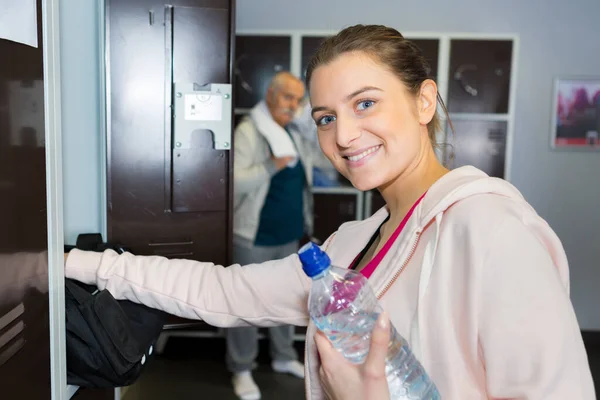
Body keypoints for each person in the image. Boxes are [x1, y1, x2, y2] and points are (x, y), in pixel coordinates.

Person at [64, 24, 596, 399]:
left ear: (424, 101)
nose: (342, 136)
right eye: (324, 117)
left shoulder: (491, 232)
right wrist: (75, 264)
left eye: (366, 103)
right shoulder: (350, 246)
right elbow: (225, 292)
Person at [226, 70, 330, 400]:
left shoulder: (294, 132)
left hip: (290, 235)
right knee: (245, 305)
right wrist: (271, 164)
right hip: (253, 237)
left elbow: (317, 165)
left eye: (299, 100)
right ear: (271, 95)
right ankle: (242, 369)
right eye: (288, 97)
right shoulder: (249, 132)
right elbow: (234, 183)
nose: (293, 105)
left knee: (287, 300)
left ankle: (283, 357)